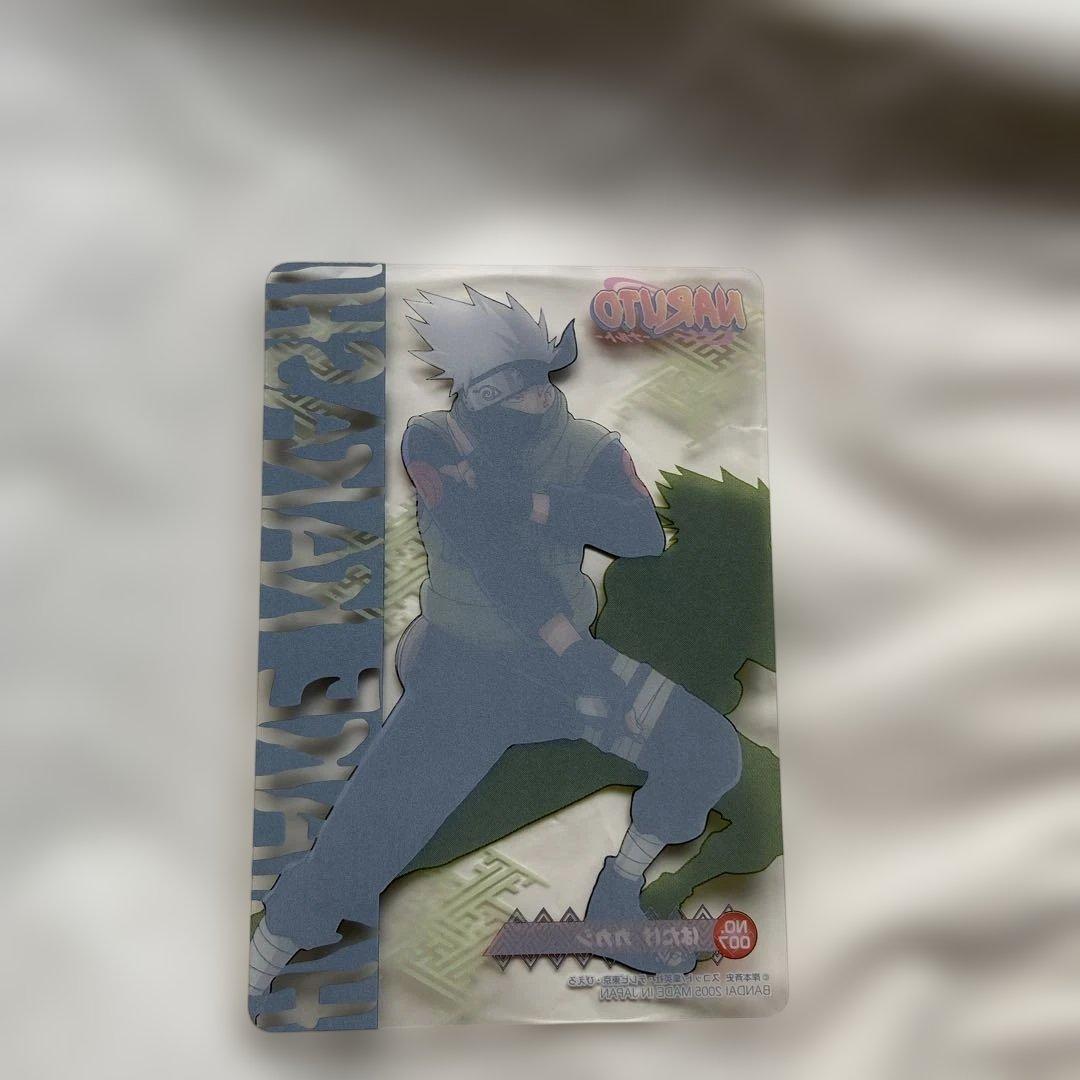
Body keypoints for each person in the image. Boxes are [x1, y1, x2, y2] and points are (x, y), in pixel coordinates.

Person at [249, 287, 742, 1007]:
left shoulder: (590, 447)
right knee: (359, 846)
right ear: (475, 390)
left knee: (707, 750)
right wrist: (576, 656)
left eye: (534, 378)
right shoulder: (434, 439)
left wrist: (536, 504)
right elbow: (494, 557)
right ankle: (259, 969)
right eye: (503, 385)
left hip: (558, 672)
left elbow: (640, 534)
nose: (528, 398)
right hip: (465, 670)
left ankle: (616, 897)